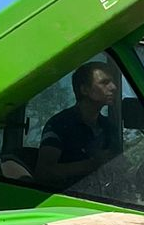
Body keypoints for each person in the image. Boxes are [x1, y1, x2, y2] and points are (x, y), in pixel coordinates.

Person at [35, 61, 124, 189]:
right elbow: (44, 172)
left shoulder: (108, 127)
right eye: (104, 83)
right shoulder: (59, 125)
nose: (113, 87)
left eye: (113, 82)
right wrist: (93, 164)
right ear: (84, 90)